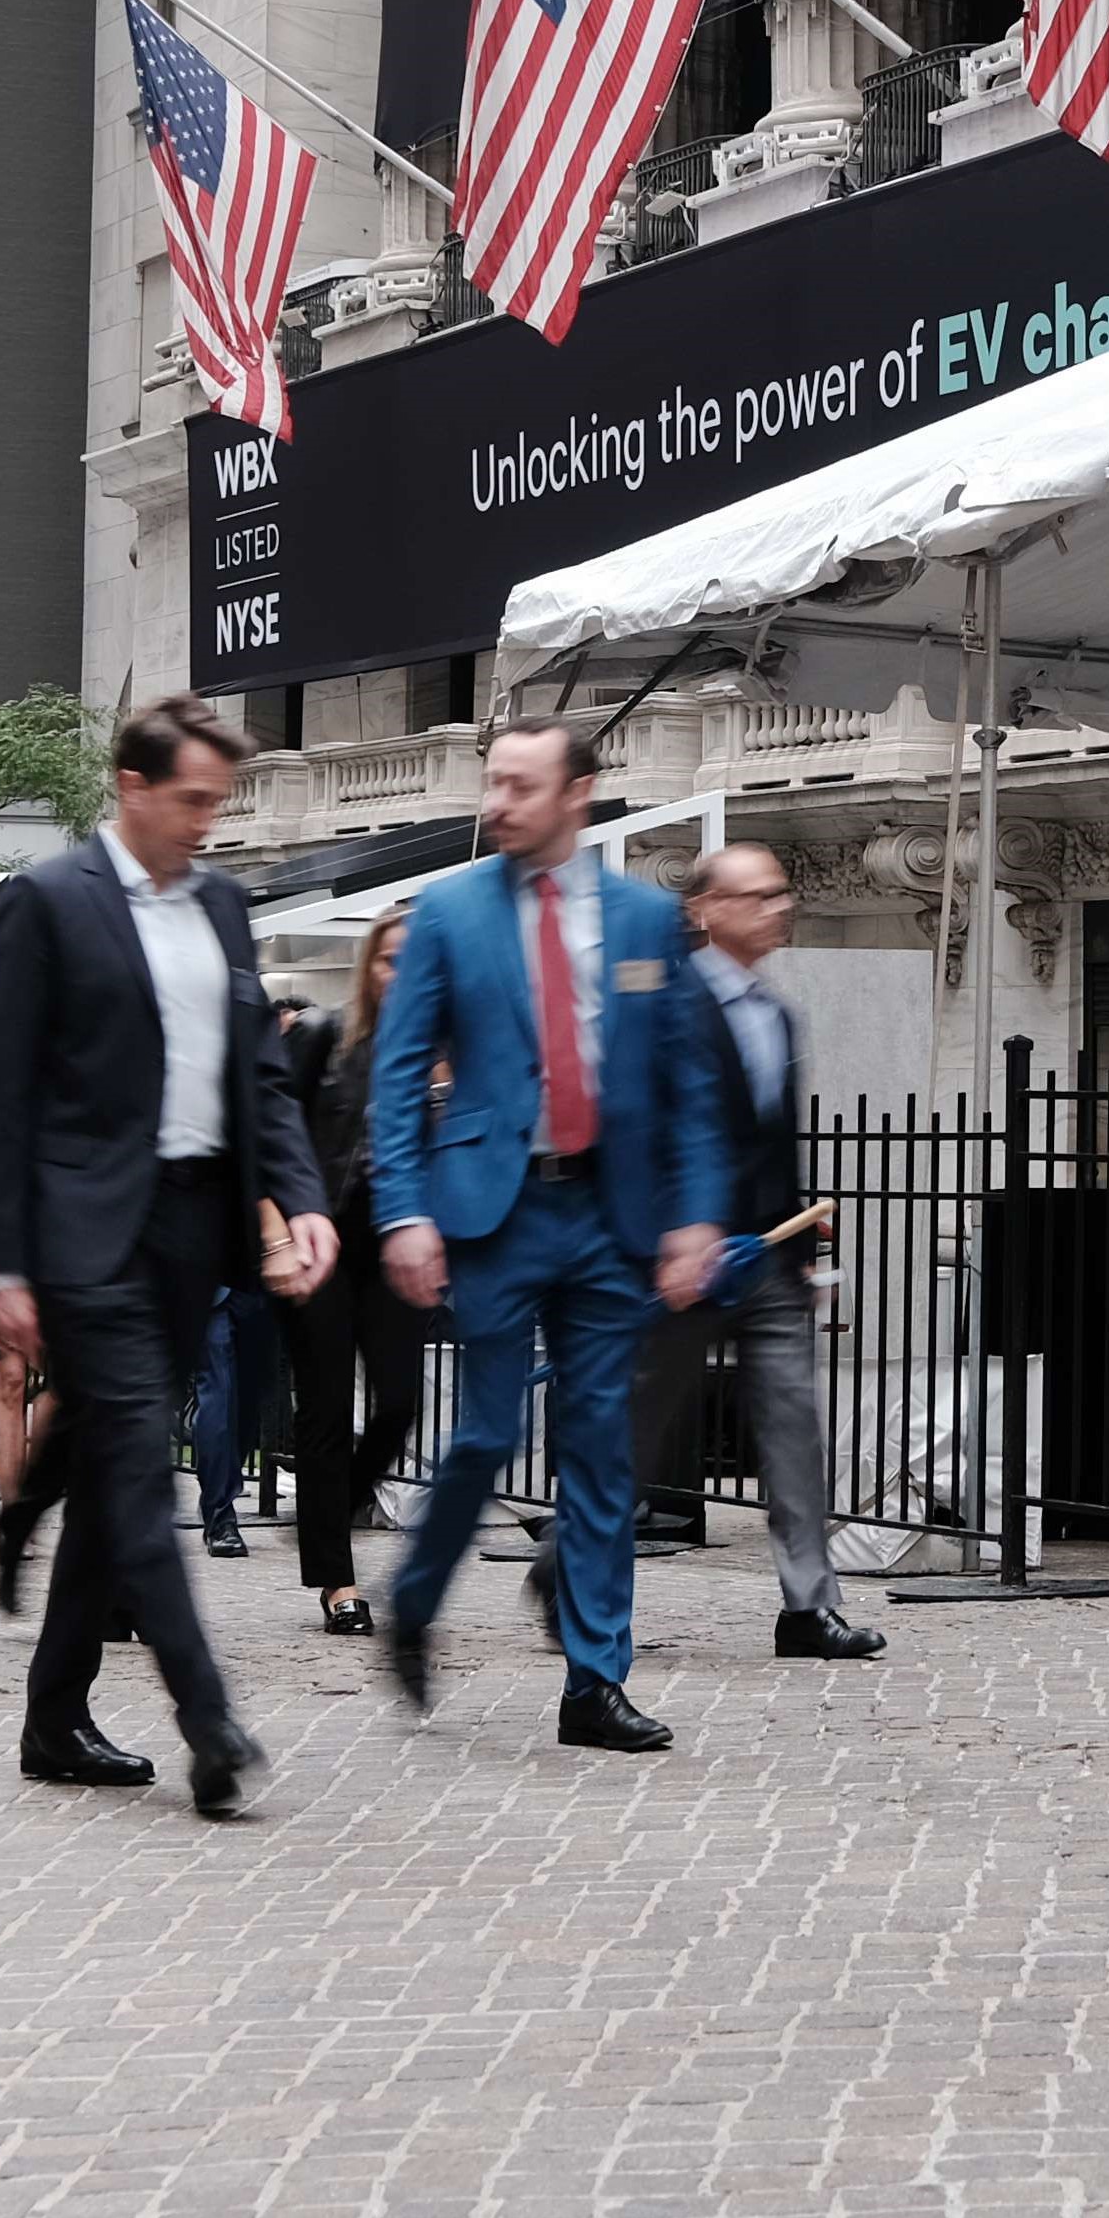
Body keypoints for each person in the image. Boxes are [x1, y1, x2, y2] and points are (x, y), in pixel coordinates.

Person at [0, 696, 329, 1811]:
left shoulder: (222, 903)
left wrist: (299, 1198)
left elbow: (258, 1077)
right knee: (137, 1466)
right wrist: (5, 1263)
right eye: (191, 799)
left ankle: (52, 1714)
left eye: (219, 801)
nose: (208, 822)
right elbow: (12, 1095)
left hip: (193, 1224)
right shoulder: (45, 901)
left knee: (109, 1463)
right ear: (131, 787)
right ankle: (208, 1719)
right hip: (85, 1229)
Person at [371, 716, 728, 1751]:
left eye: (520, 785)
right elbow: (399, 1079)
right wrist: (403, 1208)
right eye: (494, 782)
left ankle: (592, 1681)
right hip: (495, 1207)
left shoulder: (643, 922)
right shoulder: (446, 913)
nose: (498, 802)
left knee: (600, 1448)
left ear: (578, 793)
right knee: (484, 1432)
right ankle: (418, 1600)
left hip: (609, 1217)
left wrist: (694, 1215)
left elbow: (688, 1088)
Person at [653, 837, 882, 1662]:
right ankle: (565, 1565)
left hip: (769, 1264)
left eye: (781, 893)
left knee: (793, 1432)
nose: (776, 907)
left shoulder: (778, 1013)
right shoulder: (666, 1002)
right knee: (636, 1437)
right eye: (755, 895)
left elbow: (771, 1145)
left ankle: (807, 1609)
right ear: (704, 910)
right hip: (681, 1263)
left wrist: (804, 1248)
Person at [275, 910, 426, 1640]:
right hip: (323, 1240)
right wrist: (281, 1232)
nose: (398, 974)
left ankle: (331, 1509)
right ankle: (337, 1581)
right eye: (388, 960)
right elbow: (280, 1136)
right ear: (368, 967)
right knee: (325, 1410)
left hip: (393, 1246)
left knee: (400, 1401)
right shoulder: (324, 1037)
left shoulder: (439, 1053)